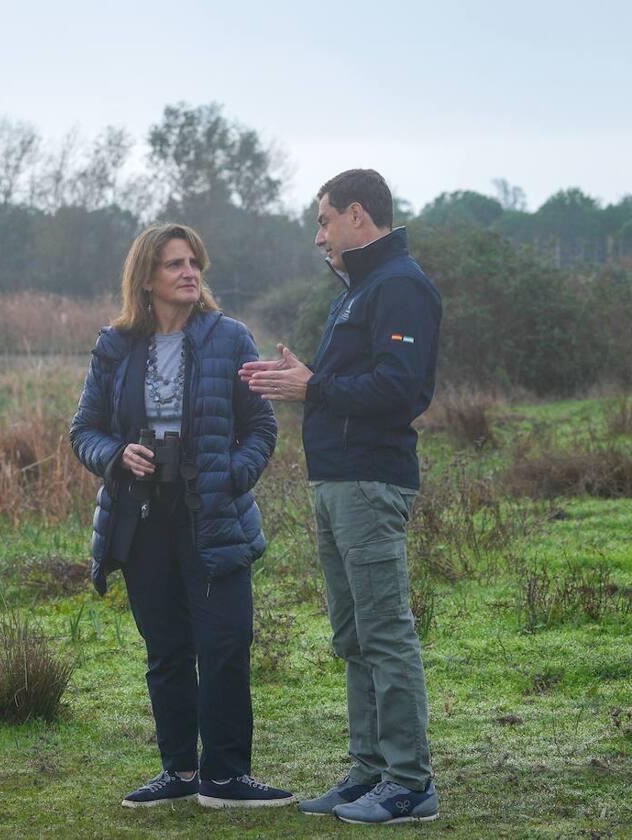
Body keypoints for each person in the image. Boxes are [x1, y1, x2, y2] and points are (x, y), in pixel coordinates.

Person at [239, 169, 441, 825]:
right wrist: (304, 381)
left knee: (384, 634)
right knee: (352, 636)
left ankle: (409, 784)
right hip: (334, 481)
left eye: (325, 220)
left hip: (370, 481)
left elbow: (400, 390)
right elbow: (343, 382)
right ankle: (368, 772)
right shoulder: (358, 289)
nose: (320, 234)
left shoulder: (401, 287)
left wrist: (312, 387)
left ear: (359, 214)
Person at [69, 222, 294, 810]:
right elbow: (83, 431)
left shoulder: (230, 338)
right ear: (146, 278)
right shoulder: (115, 344)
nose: (189, 272)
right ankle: (178, 773)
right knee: (166, 649)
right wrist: (117, 454)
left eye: (194, 262)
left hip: (213, 515)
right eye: (174, 264)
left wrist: (231, 476)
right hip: (140, 517)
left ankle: (226, 776)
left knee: (224, 644)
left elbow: (260, 427)